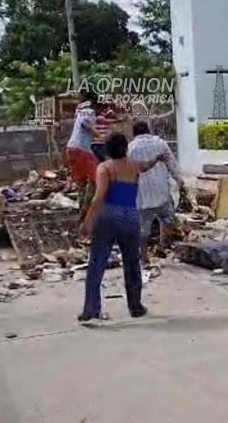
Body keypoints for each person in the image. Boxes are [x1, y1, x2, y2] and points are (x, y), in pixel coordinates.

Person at [78, 132, 169, 323]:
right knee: (131, 263)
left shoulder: (105, 168)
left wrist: (87, 222)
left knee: (97, 264)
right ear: (125, 148)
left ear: (107, 150)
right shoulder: (133, 167)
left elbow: (99, 197)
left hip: (108, 215)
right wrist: (157, 159)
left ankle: (91, 309)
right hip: (130, 216)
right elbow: (146, 166)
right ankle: (135, 307)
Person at [128, 121, 185, 266]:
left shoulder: (130, 148)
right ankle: (162, 245)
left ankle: (144, 256)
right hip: (162, 192)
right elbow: (172, 164)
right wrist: (180, 182)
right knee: (168, 220)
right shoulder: (160, 144)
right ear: (149, 130)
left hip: (142, 194)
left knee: (143, 228)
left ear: (134, 133)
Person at [66, 92, 100, 220]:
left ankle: (82, 211)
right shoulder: (89, 111)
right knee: (96, 179)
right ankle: (87, 212)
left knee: (81, 182)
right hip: (81, 150)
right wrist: (99, 135)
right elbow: (86, 124)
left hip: (71, 148)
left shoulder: (81, 111)